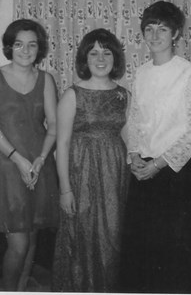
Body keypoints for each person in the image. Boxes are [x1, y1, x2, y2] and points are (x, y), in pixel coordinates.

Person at [121, 1, 191, 293]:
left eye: (162, 29)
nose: (155, 35)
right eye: (149, 28)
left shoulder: (189, 73)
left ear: (175, 34)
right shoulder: (141, 73)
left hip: (176, 172)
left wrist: (157, 164)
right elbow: (134, 120)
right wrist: (134, 156)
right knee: (143, 251)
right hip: (143, 170)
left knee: (176, 253)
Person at [0, 18, 59, 291]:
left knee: (32, 236)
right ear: (9, 47)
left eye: (32, 45)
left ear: (39, 48)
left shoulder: (46, 80)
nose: (25, 50)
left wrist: (41, 158)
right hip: (7, 166)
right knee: (19, 243)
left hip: (39, 164)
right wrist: (19, 160)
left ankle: (22, 287)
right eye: (19, 44)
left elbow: (54, 125)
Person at [51, 28, 130, 292]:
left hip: (114, 174)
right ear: (84, 58)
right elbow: (60, 145)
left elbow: (128, 138)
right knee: (83, 235)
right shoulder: (72, 95)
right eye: (93, 52)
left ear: (115, 58)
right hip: (81, 172)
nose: (100, 58)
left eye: (106, 52)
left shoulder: (123, 95)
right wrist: (65, 190)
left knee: (112, 237)